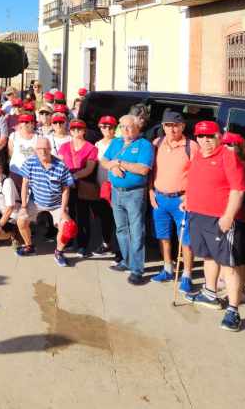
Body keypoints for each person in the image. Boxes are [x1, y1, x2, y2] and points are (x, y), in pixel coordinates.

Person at [182, 120, 245, 331]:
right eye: (200, 136)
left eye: (209, 136)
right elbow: (195, 181)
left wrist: (229, 215)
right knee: (208, 256)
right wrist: (188, 198)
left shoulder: (228, 156)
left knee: (228, 265)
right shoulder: (198, 155)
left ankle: (233, 310)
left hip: (219, 218)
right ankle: (210, 293)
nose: (205, 140)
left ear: (218, 136)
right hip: (197, 214)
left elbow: (238, 189)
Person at [99, 114, 153, 283]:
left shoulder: (144, 145)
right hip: (116, 191)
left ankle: (137, 269)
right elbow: (104, 161)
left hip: (135, 194)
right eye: (122, 127)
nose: (126, 130)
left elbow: (143, 169)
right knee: (121, 229)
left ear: (138, 128)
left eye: (129, 127)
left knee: (136, 231)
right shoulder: (116, 142)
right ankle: (127, 261)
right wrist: (112, 166)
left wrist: (120, 163)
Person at [148, 111, 194, 287]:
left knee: (186, 239)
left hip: (181, 200)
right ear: (163, 127)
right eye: (168, 125)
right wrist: (150, 191)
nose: (172, 129)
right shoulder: (156, 144)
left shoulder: (191, 146)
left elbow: (198, 175)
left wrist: (190, 196)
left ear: (182, 126)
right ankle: (167, 268)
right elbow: (151, 170)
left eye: (176, 125)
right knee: (163, 236)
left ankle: (187, 275)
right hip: (159, 198)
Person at [16, 138, 75, 264]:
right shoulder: (30, 162)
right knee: (21, 220)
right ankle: (29, 246)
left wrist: (64, 210)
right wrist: (24, 205)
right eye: (39, 149)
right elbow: (25, 184)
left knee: (68, 227)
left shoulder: (61, 165)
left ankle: (58, 252)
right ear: (35, 150)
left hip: (56, 204)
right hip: (36, 201)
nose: (42, 151)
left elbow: (66, 190)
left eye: (45, 149)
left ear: (50, 149)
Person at [59, 120, 98, 256]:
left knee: (83, 216)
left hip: (82, 185)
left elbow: (89, 168)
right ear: (70, 131)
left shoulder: (91, 148)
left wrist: (73, 177)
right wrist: (66, 179)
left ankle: (82, 245)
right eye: (73, 129)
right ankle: (68, 240)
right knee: (68, 214)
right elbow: (60, 164)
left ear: (84, 131)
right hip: (66, 186)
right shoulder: (64, 146)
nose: (76, 131)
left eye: (79, 128)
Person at [7, 113, 46, 189]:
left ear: (32, 123)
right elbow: (11, 152)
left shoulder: (38, 137)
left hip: (32, 173)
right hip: (16, 171)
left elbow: (40, 155)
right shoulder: (13, 135)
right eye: (22, 122)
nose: (24, 124)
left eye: (26, 122)